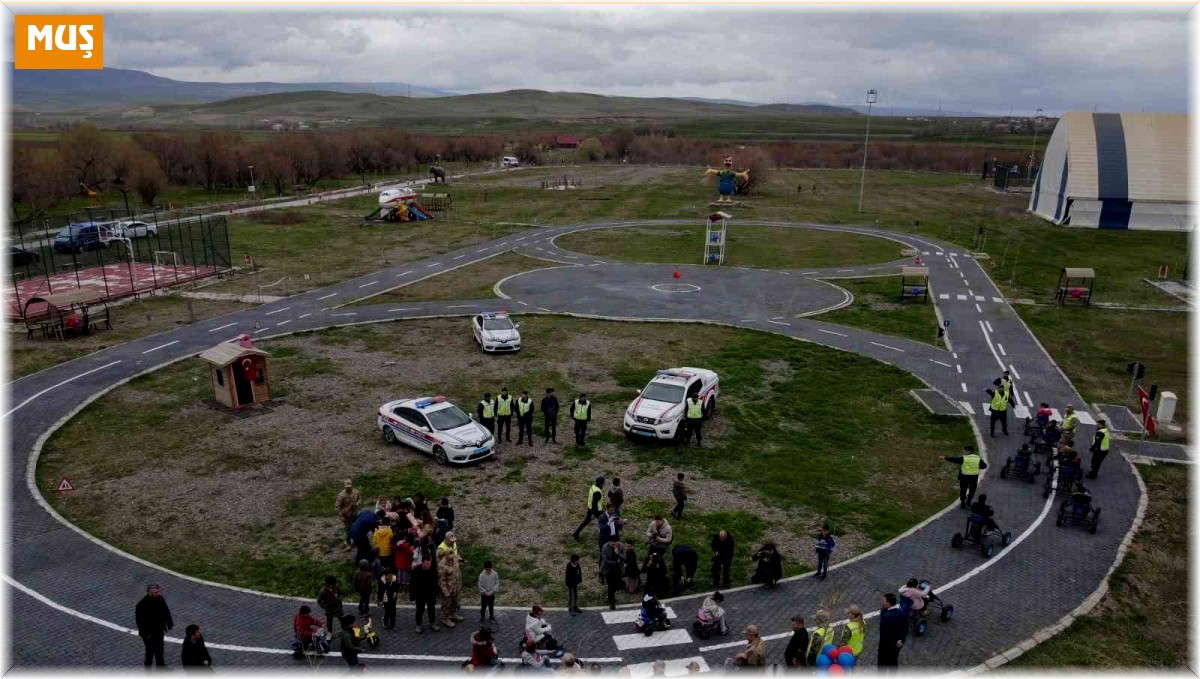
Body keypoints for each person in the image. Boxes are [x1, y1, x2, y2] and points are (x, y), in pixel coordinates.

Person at [136, 584, 173, 668]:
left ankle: (160, 666)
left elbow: (166, 611)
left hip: (159, 630)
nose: (158, 593)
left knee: (160, 648)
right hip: (149, 633)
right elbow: (140, 622)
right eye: (156, 592)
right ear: (149, 592)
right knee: (150, 651)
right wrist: (146, 635)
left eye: (159, 591)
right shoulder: (142, 604)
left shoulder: (160, 599)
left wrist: (169, 623)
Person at [943, 444, 988, 509]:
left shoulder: (964, 458)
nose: (963, 451)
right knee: (972, 489)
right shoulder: (977, 458)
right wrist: (976, 467)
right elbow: (984, 466)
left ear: (968, 451)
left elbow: (954, 460)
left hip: (964, 477)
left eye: (964, 450)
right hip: (973, 477)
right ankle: (969, 500)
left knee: (963, 490)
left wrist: (945, 458)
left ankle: (963, 503)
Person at [877, 593, 908, 671]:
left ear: (888, 603)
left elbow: (884, 635)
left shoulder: (886, 616)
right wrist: (901, 640)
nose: (882, 602)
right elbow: (905, 629)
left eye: (884, 601)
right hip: (897, 646)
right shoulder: (902, 613)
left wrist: (895, 641)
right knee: (893, 662)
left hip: (886, 647)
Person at [411, 549, 439, 633]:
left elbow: (435, 582)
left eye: (430, 563)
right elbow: (412, 584)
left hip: (430, 593)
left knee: (431, 608)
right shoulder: (416, 571)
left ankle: (432, 623)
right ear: (423, 563)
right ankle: (418, 624)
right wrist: (413, 596)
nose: (429, 565)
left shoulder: (433, 569)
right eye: (427, 564)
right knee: (420, 609)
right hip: (420, 594)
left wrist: (436, 592)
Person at [439, 542, 465, 628]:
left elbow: (460, 560)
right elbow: (441, 581)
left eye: (452, 554)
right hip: (448, 589)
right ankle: (445, 618)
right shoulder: (442, 565)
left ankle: (452, 614)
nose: (452, 557)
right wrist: (445, 592)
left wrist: (463, 561)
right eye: (450, 555)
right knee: (447, 605)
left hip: (456, 587)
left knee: (455, 602)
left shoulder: (455, 559)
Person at [600, 536, 627, 609]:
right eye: (612, 544)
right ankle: (611, 601)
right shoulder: (605, 547)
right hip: (608, 569)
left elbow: (624, 557)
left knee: (616, 585)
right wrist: (614, 563)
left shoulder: (621, 546)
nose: (614, 545)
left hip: (618, 569)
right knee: (610, 585)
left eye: (615, 544)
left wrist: (618, 553)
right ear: (609, 542)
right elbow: (605, 559)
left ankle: (611, 596)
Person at [336, 479, 362, 545]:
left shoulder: (356, 492)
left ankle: (355, 541)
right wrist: (341, 516)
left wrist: (357, 503)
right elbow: (338, 506)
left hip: (355, 513)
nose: (348, 488)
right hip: (346, 515)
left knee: (356, 527)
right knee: (348, 529)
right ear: (344, 486)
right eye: (347, 487)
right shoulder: (341, 495)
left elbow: (359, 498)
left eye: (350, 487)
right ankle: (348, 542)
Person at [479, 560, 499, 625]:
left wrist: (493, 591)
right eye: (486, 569)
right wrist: (485, 592)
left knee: (491, 605)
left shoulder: (495, 574)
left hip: (491, 593)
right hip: (484, 594)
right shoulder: (481, 575)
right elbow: (480, 585)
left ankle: (491, 616)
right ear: (484, 568)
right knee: (483, 606)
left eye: (489, 569)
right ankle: (482, 617)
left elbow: (497, 583)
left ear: (491, 568)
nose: (488, 571)